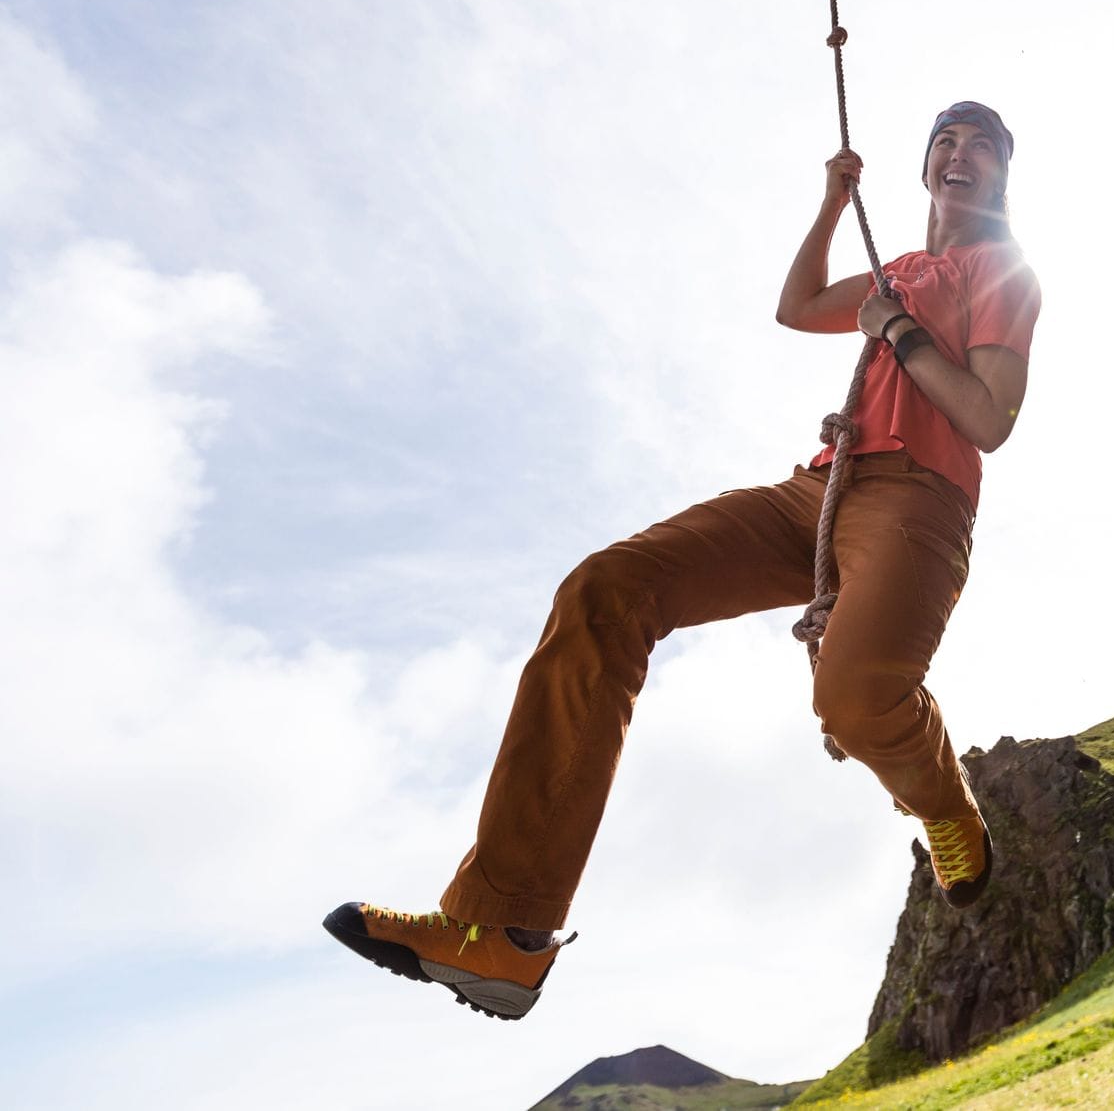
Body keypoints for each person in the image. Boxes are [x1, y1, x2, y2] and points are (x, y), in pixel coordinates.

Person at [323, 101, 1041, 1020]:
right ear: (925, 166)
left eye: (982, 145)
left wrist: (896, 332)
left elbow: (989, 419)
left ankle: (945, 803)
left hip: (919, 501)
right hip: (820, 489)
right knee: (606, 588)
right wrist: (830, 204)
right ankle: (502, 933)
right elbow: (793, 308)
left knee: (856, 700)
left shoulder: (1003, 272)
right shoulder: (900, 268)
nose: (960, 152)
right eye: (946, 139)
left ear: (1001, 178)